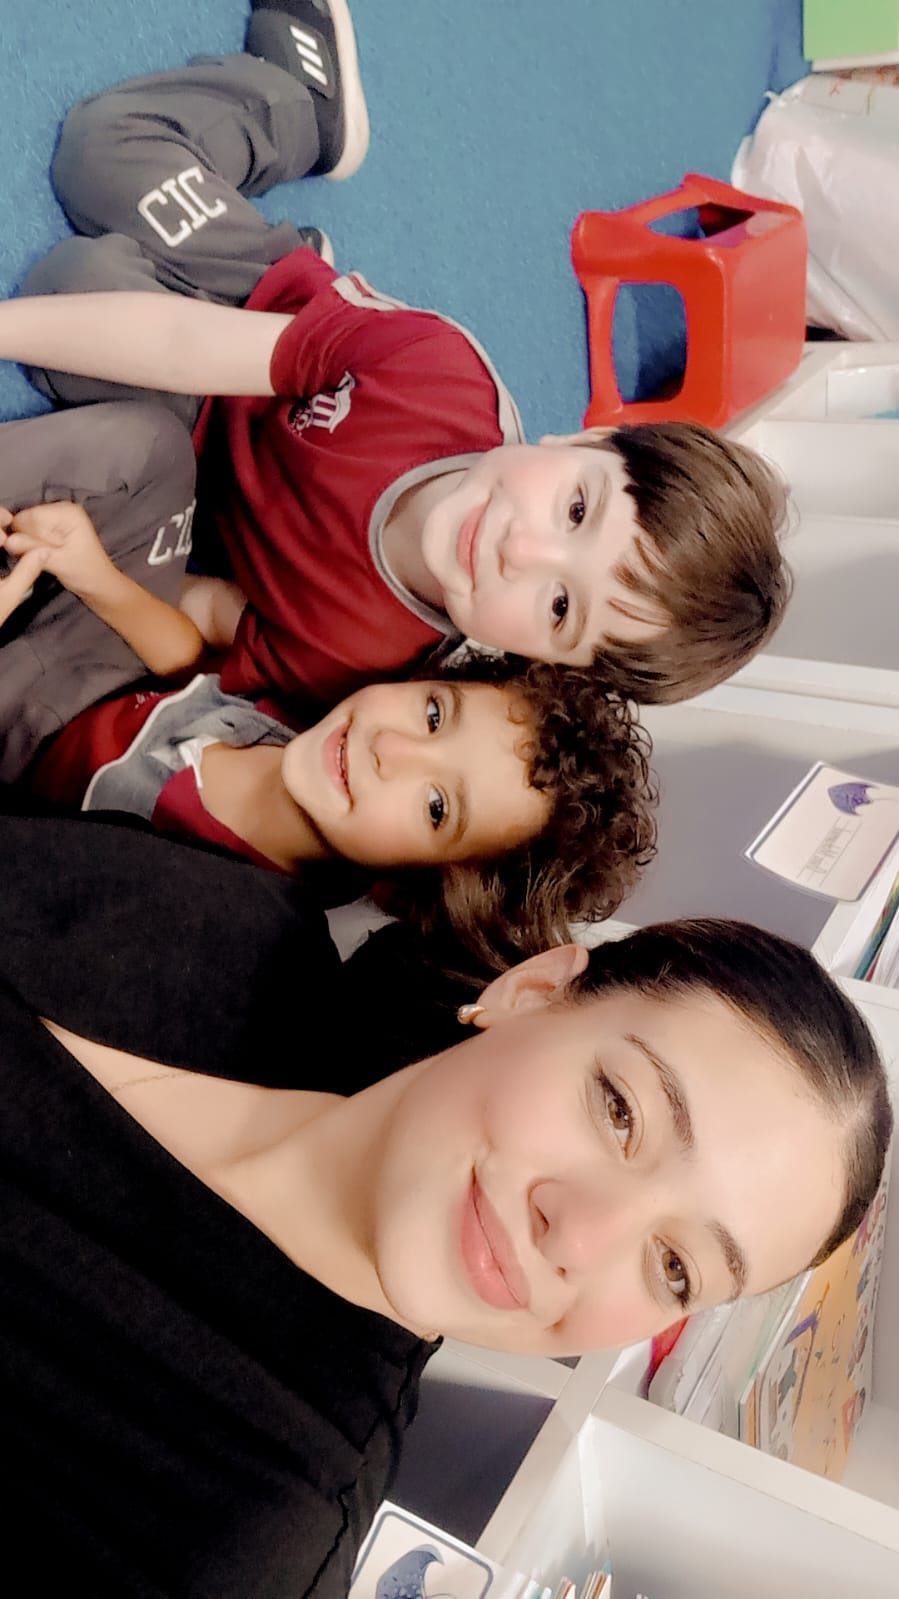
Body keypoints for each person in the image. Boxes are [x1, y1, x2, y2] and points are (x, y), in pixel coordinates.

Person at [0, 806, 891, 1595]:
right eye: (620, 1110)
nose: (576, 1236)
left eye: (674, 1266)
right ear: (531, 992)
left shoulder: (238, 1532)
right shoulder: (221, 921)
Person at [0, 0, 792, 723]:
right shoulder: (434, 375)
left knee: (74, 285)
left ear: (547, 665)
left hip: (203, 444)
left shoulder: (364, 661)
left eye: (559, 607)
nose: (521, 551)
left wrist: (104, 570)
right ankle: (299, 107)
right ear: (580, 440)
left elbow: (206, 614)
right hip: (258, 307)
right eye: (576, 510)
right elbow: (183, 342)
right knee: (104, 149)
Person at [1, 497, 657, 967]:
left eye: (436, 806)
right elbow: (186, 669)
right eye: (432, 715)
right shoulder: (296, 723)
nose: (391, 749)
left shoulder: (218, 902)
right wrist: (94, 575)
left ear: (411, 884)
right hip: (67, 671)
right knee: (151, 458)